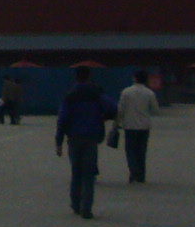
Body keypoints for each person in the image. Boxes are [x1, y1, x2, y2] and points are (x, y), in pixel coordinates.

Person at [55, 65, 115, 218]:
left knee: (76, 172)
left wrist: (59, 141)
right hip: (91, 137)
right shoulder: (96, 94)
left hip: (74, 137)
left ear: (76, 77)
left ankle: (75, 204)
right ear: (89, 77)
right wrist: (102, 117)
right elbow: (112, 107)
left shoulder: (70, 96)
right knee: (88, 174)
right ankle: (86, 208)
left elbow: (62, 119)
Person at [117, 69, 158, 182]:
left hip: (129, 126)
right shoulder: (149, 93)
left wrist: (117, 123)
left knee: (130, 151)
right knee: (142, 151)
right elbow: (155, 110)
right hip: (144, 126)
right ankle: (141, 174)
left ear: (134, 78)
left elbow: (120, 109)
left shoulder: (126, 92)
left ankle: (133, 171)